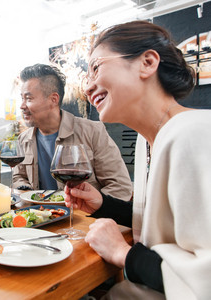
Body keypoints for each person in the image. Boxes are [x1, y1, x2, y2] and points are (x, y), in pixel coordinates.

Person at [67, 20, 211, 298]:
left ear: (147, 62)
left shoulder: (193, 134)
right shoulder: (149, 140)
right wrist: (103, 205)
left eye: (96, 67)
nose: (88, 87)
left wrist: (123, 253)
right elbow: (167, 228)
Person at [14, 63, 133, 200]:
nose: (22, 106)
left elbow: (120, 186)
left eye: (28, 98)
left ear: (53, 99)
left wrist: (90, 209)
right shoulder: (23, 139)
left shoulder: (93, 131)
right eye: (22, 98)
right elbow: (19, 176)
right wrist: (25, 190)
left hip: (82, 218)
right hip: (41, 217)